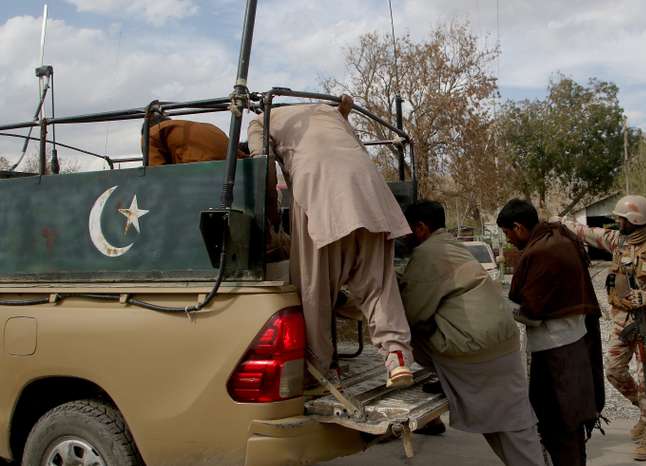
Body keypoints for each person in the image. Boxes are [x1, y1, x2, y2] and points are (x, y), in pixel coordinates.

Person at [246, 95, 414, 388]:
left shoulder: (262, 121)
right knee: (379, 285)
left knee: (313, 292)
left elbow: (262, 169)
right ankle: (397, 357)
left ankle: (321, 371)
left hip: (320, 194)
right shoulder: (327, 112)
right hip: (370, 194)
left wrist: (270, 223)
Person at [400, 200, 546, 466]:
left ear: (420, 228)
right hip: (504, 344)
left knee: (401, 330)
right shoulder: (453, 246)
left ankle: (445, 378)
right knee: (512, 425)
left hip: (474, 354)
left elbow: (413, 312)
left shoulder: (427, 254)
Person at [562, 194, 646, 461]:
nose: (617, 221)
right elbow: (586, 232)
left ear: (635, 220)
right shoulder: (617, 241)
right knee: (613, 370)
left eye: (621, 218)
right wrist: (558, 222)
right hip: (623, 319)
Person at [497, 199, 605, 466]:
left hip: (557, 352)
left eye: (507, 233)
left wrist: (498, 306)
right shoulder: (558, 240)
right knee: (569, 422)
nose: (508, 240)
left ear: (519, 227)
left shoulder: (543, 252)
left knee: (560, 422)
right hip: (573, 344)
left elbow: (532, 314)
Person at [142, 109, 245, 166]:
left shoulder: (151, 133)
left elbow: (154, 172)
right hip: (235, 167)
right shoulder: (207, 126)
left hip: (200, 172)